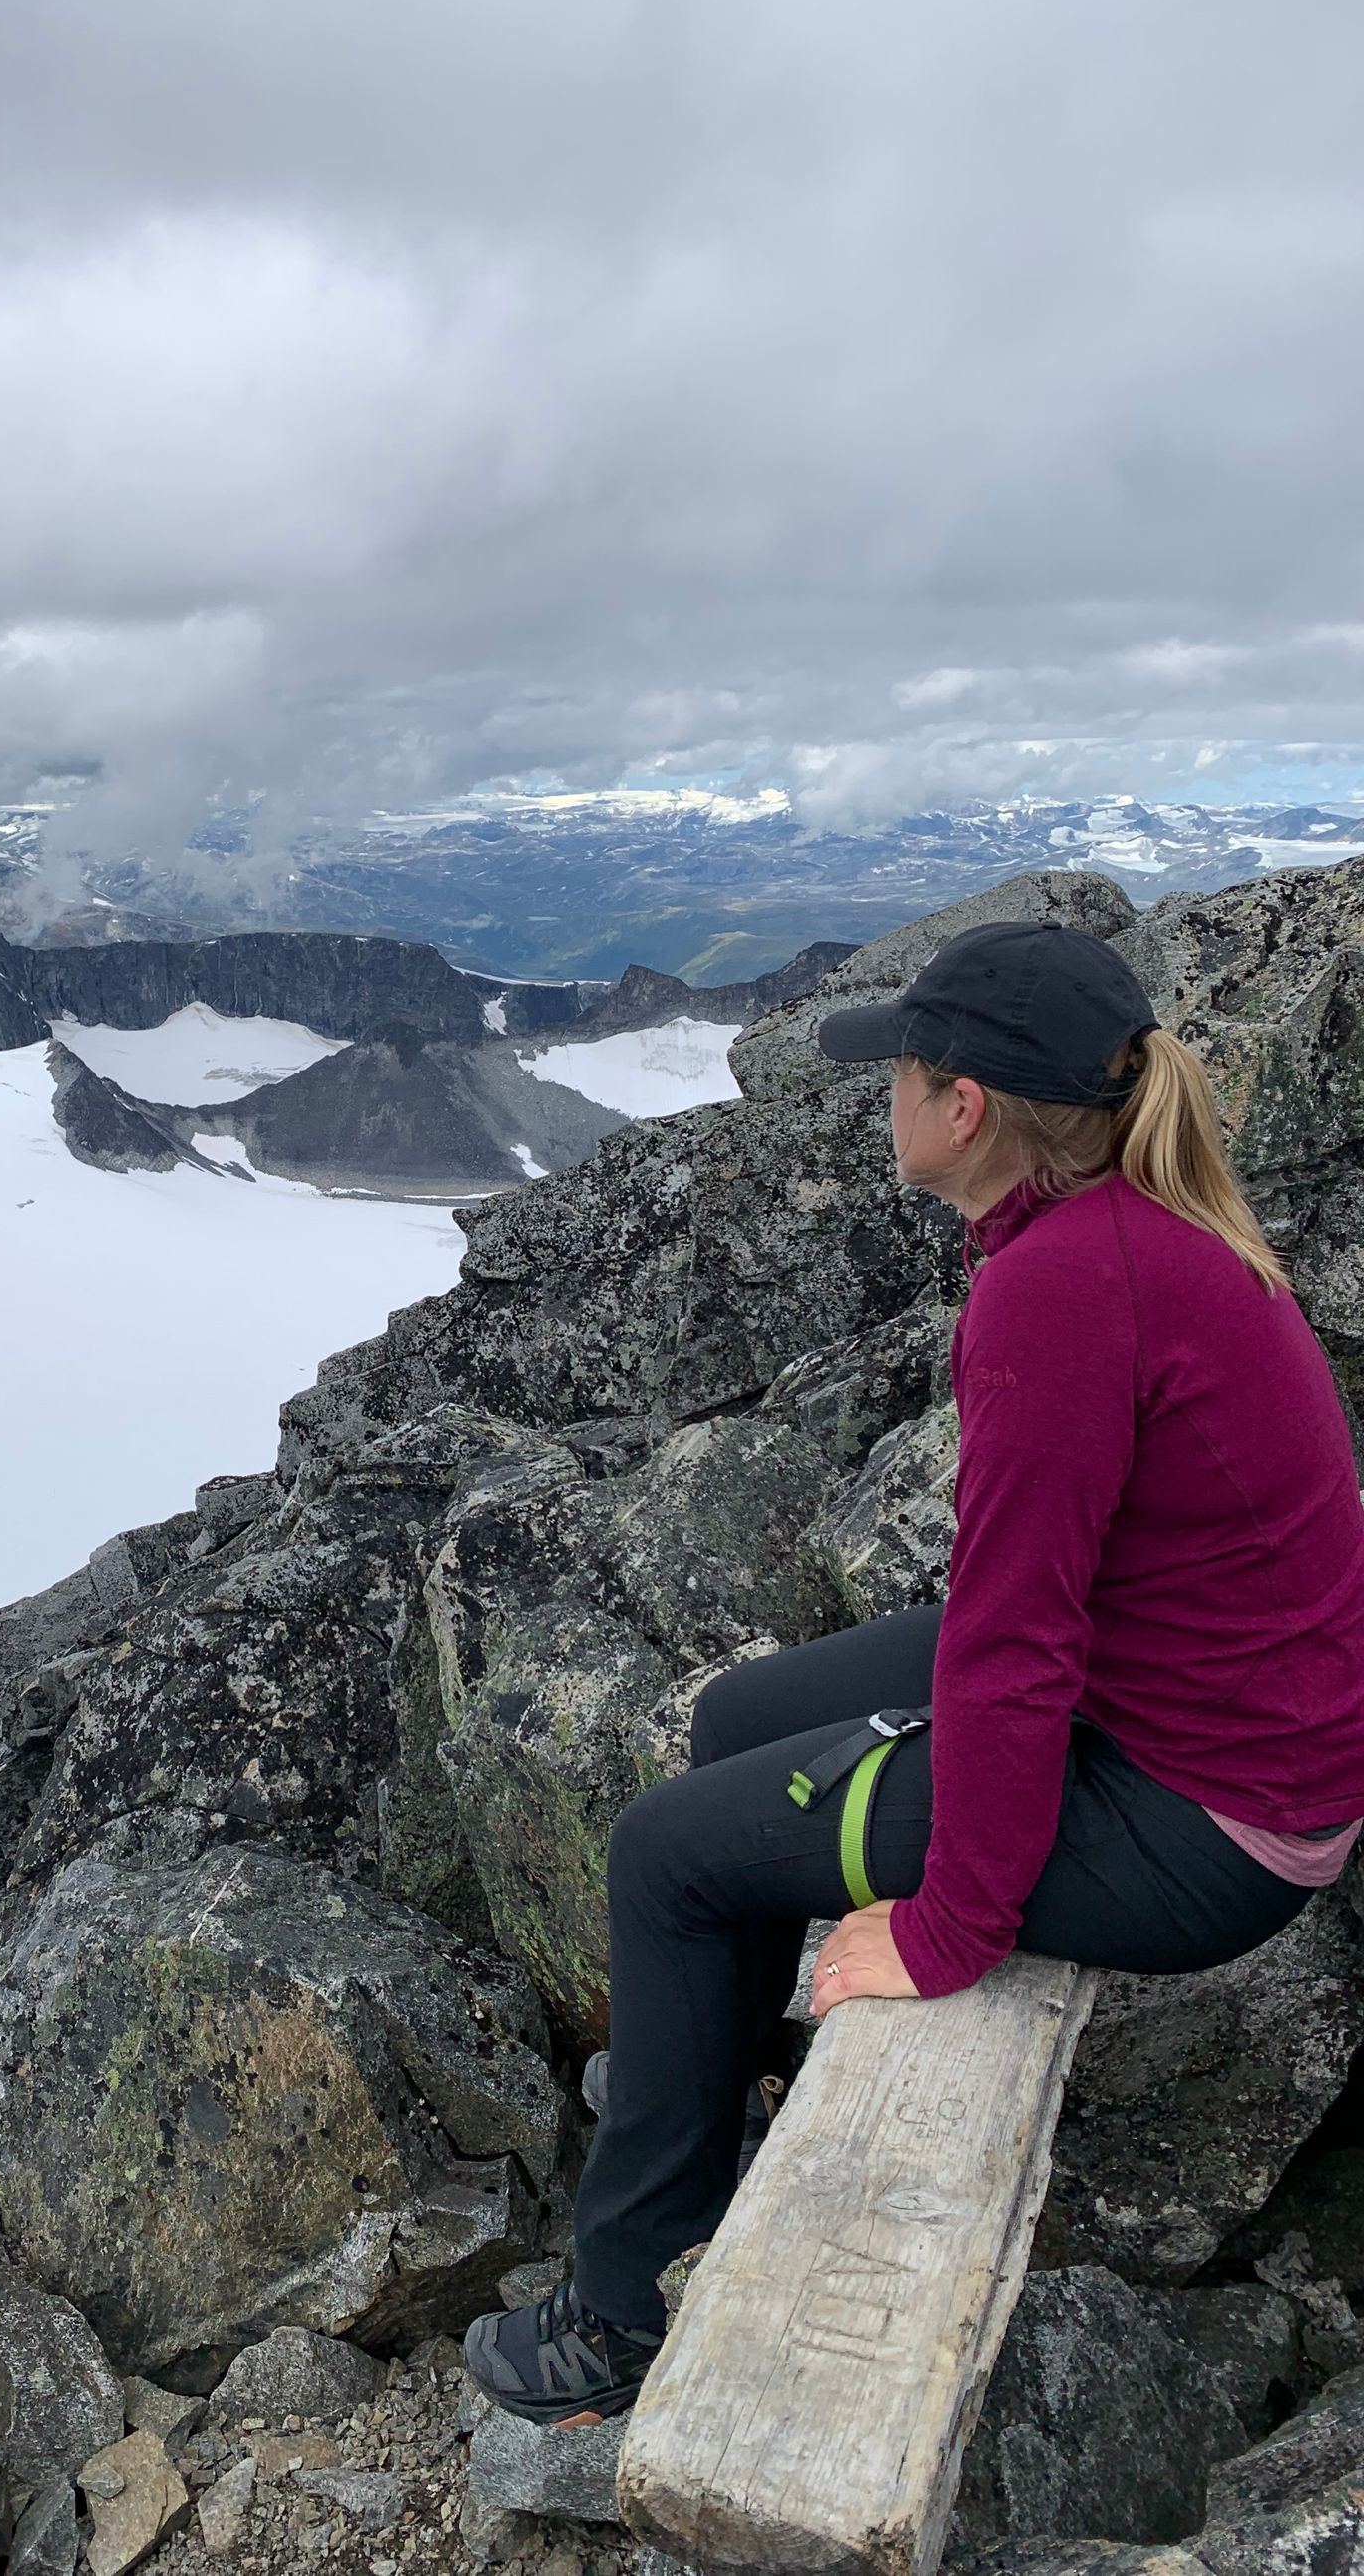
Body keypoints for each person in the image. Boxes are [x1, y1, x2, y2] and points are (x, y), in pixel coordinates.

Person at [464, 918, 1364, 2426]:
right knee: (737, 1719)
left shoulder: (1064, 1291)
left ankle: (615, 2323)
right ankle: (708, 2087)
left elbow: (1011, 1653)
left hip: (1204, 1820)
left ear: (966, 1112)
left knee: (667, 1855)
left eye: (901, 1069)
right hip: (1181, 1707)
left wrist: (950, 1928)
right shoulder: (1124, 1227)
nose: (880, 1091)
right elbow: (1044, 1614)